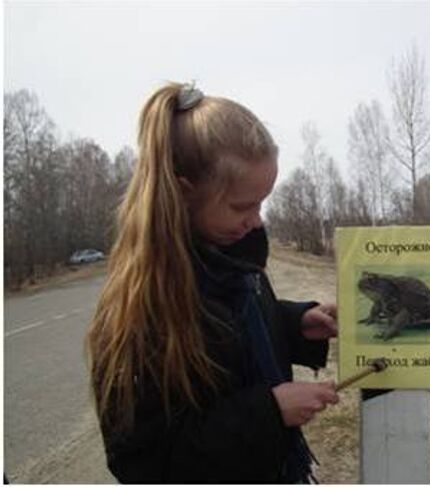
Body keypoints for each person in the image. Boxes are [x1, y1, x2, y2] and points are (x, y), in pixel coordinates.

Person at [85, 82, 339, 483]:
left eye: (261, 203)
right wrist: (269, 412)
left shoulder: (235, 262)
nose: (256, 220)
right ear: (185, 194)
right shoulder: (143, 309)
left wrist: (296, 323)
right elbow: (142, 462)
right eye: (242, 205)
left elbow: (236, 336)